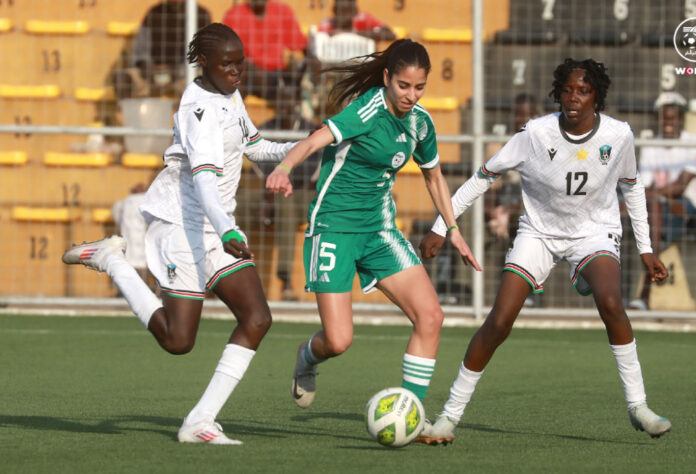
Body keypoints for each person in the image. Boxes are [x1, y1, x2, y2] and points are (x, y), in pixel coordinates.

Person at [416, 58, 672, 445]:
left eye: (583, 91)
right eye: (567, 90)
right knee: (499, 322)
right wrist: (442, 227)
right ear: (558, 92)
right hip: (538, 233)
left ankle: (638, 407)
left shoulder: (619, 135)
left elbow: (632, 188)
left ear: (596, 97)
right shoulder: (535, 133)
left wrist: (647, 249)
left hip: (593, 233)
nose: (573, 98)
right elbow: (482, 178)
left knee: (611, 304)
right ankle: (448, 418)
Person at [62, 23, 296, 445]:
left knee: (258, 317)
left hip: (215, 228)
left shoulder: (229, 94)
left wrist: (307, 145)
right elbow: (205, 183)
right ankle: (112, 260)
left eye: (240, 63)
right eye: (227, 64)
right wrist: (226, 228)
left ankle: (199, 421)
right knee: (177, 340)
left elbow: (257, 148)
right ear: (203, 62)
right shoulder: (198, 111)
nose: (236, 70)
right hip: (183, 227)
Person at [265, 39, 481, 409]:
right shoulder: (366, 110)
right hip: (333, 227)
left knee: (431, 317)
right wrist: (285, 168)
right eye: (403, 86)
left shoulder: (420, 123)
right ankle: (307, 357)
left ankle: (408, 413)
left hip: (379, 231)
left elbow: (434, 178)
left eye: (419, 87)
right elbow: (316, 139)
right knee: (338, 341)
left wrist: (453, 230)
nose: (411, 95)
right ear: (387, 78)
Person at [631, 91, 696, 309]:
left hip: (686, 209)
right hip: (658, 209)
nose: (667, 122)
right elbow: (646, 186)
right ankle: (642, 292)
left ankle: (644, 294)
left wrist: (656, 195)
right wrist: (656, 196)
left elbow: (681, 186)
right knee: (652, 210)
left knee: (653, 209)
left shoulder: (692, 142)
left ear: (680, 118)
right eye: (664, 117)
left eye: (672, 117)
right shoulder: (651, 144)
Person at [257, 87, 322, 301]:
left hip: (303, 196)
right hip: (273, 194)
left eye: (288, 100)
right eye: (280, 100)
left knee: (286, 201)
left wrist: (284, 175)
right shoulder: (264, 130)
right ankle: (217, 278)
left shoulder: (310, 129)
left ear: (296, 102)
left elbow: (309, 171)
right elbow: (261, 167)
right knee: (231, 206)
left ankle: (285, 280)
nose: (284, 106)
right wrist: (281, 180)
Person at [112, 0, 212, 99]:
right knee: (122, 79)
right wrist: (148, 68)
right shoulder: (153, 13)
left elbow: (204, 55)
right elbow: (139, 51)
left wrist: (178, 71)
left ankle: (191, 114)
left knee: (206, 82)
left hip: (185, 75)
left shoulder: (201, 15)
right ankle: (128, 113)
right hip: (152, 73)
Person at [222, 0, 313, 102]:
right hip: (247, 76)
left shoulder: (282, 11)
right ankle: (232, 113)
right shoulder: (234, 15)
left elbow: (302, 45)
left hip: (276, 77)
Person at [318, 0, 396, 41]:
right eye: (341, 11)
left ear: (355, 12)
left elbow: (391, 35)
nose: (344, 15)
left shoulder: (363, 19)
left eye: (347, 11)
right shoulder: (327, 24)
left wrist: (348, 33)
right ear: (334, 10)